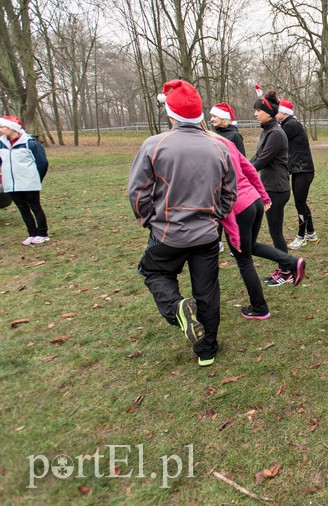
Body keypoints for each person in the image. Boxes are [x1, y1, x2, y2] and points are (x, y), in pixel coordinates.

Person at [128, 79, 237, 367]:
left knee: (153, 271)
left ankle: (176, 307)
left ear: (171, 114)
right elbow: (230, 192)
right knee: (207, 290)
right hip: (206, 235)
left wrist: (148, 220)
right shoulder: (219, 145)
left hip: (169, 233)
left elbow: (137, 191)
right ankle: (207, 350)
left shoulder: (155, 144)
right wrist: (216, 218)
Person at [204, 125, 306, 319]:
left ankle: (259, 307)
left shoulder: (204, 149)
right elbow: (249, 169)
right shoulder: (225, 142)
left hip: (239, 207)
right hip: (253, 200)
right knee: (250, 246)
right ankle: (291, 262)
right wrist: (263, 196)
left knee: (243, 259)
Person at [251, 88, 294, 286]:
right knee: (274, 230)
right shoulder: (269, 131)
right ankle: (284, 266)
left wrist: (244, 171)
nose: (255, 113)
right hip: (271, 187)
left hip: (276, 188)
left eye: (258, 110)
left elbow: (261, 160)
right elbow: (257, 158)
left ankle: (287, 271)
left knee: (275, 231)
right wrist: (241, 166)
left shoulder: (276, 133)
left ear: (268, 112)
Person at [276, 98, 319, 250]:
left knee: (299, 203)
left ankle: (301, 236)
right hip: (299, 170)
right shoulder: (288, 124)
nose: (275, 113)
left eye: (278, 111)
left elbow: (276, 137)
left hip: (303, 170)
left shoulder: (291, 125)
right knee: (301, 202)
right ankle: (311, 232)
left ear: (284, 113)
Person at [0, 116, 50, 245]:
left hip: (29, 183)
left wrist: (35, 178)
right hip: (11, 184)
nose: (1, 130)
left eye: (3, 127)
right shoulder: (1, 144)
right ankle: (31, 233)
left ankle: (42, 233)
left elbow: (42, 163)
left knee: (35, 207)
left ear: (12, 128)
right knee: (23, 209)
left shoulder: (29, 143)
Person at [209, 102, 245, 253]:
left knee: (231, 211)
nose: (211, 119)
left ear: (224, 118)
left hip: (231, 181)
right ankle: (216, 241)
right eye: (211, 116)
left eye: (215, 116)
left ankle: (235, 241)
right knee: (216, 212)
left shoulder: (235, 135)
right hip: (215, 180)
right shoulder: (211, 135)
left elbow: (242, 159)